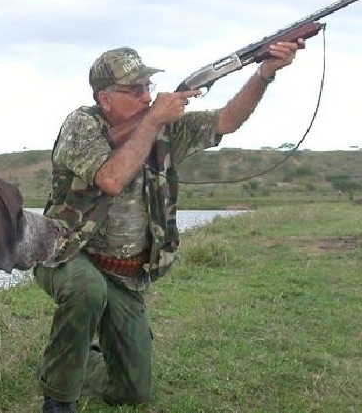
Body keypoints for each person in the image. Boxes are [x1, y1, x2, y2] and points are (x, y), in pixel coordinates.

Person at [34, 40, 304, 413]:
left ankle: (72, 363)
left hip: (123, 274)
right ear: (105, 98)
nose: (147, 97)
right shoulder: (81, 125)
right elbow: (111, 178)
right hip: (66, 253)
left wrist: (264, 73)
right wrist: (154, 120)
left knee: (133, 391)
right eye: (134, 91)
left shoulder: (158, 126)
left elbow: (226, 120)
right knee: (86, 289)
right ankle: (59, 398)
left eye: (148, 87)